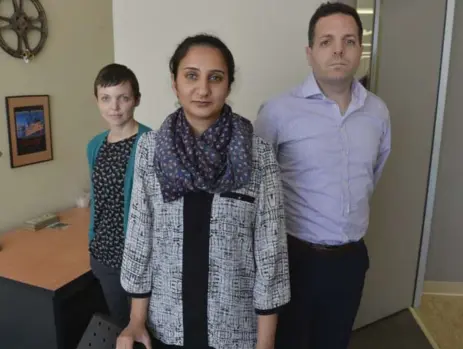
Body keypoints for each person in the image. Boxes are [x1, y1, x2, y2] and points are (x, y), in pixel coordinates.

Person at [116, 34, 290, 349]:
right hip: (167, 326)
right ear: (175, 83)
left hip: (235, 331)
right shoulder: (150, 149)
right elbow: (140, 236)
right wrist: (136, 320)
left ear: (229, 84)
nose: (203, 89)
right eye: (191, 76)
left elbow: (270, 254)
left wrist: (265, 345)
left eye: (216, 78)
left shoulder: (257, 154)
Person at [254, 3, 391, 349]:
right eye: (326, 41)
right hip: (293, 258)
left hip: (350, 260)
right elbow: (258, 185)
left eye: (348, 41)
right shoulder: (278, 112)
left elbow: (371, 175)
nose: (338, 50)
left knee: (336, 341)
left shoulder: (377, 112)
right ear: (310, 51)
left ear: (361, 48)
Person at [86, 63, 151, 327]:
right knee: (122, 325)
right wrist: (92, 240)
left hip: (141, 257)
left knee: (147, 329)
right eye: (106, 99)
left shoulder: (151, 142)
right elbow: (97, 197)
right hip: (105, 256)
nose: (114, 107)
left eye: (123, 98)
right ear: (97, 101)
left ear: (136, 100)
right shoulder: (95, 145)